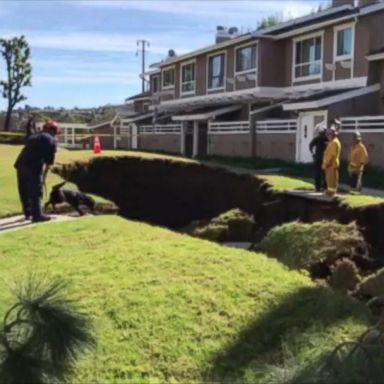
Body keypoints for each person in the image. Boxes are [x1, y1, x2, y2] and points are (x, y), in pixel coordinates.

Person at [14, 120, 60, 222]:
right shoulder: (50, 139)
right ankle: (37, 215)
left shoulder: (35, 136)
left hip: (20, 164)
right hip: (33, 167)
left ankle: (28, 213)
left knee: (24, 190)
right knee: (36, 191)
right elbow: (49, 161)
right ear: (54, 131)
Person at [322, 125, 341, 197]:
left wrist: (327, 163)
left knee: (331, 180)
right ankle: (330, 192)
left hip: (331, 164)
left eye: (329, 134)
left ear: (333, 134)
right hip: (331, 164)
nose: (327, 135)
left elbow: (332, 155)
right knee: (329, 180)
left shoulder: (334, 142)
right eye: (327, 134)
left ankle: (331, 193)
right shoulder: (332, 141)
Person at [309, 126, 328, 192]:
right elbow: (311, 145)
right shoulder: (326, 139)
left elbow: (310, 145)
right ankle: (323, 187)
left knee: (320, 173)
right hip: (322, 158)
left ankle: (318, 188)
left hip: (319, 158)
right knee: (323, 173)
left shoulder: (318, 138)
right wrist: (313, 153)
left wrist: (313, 153)